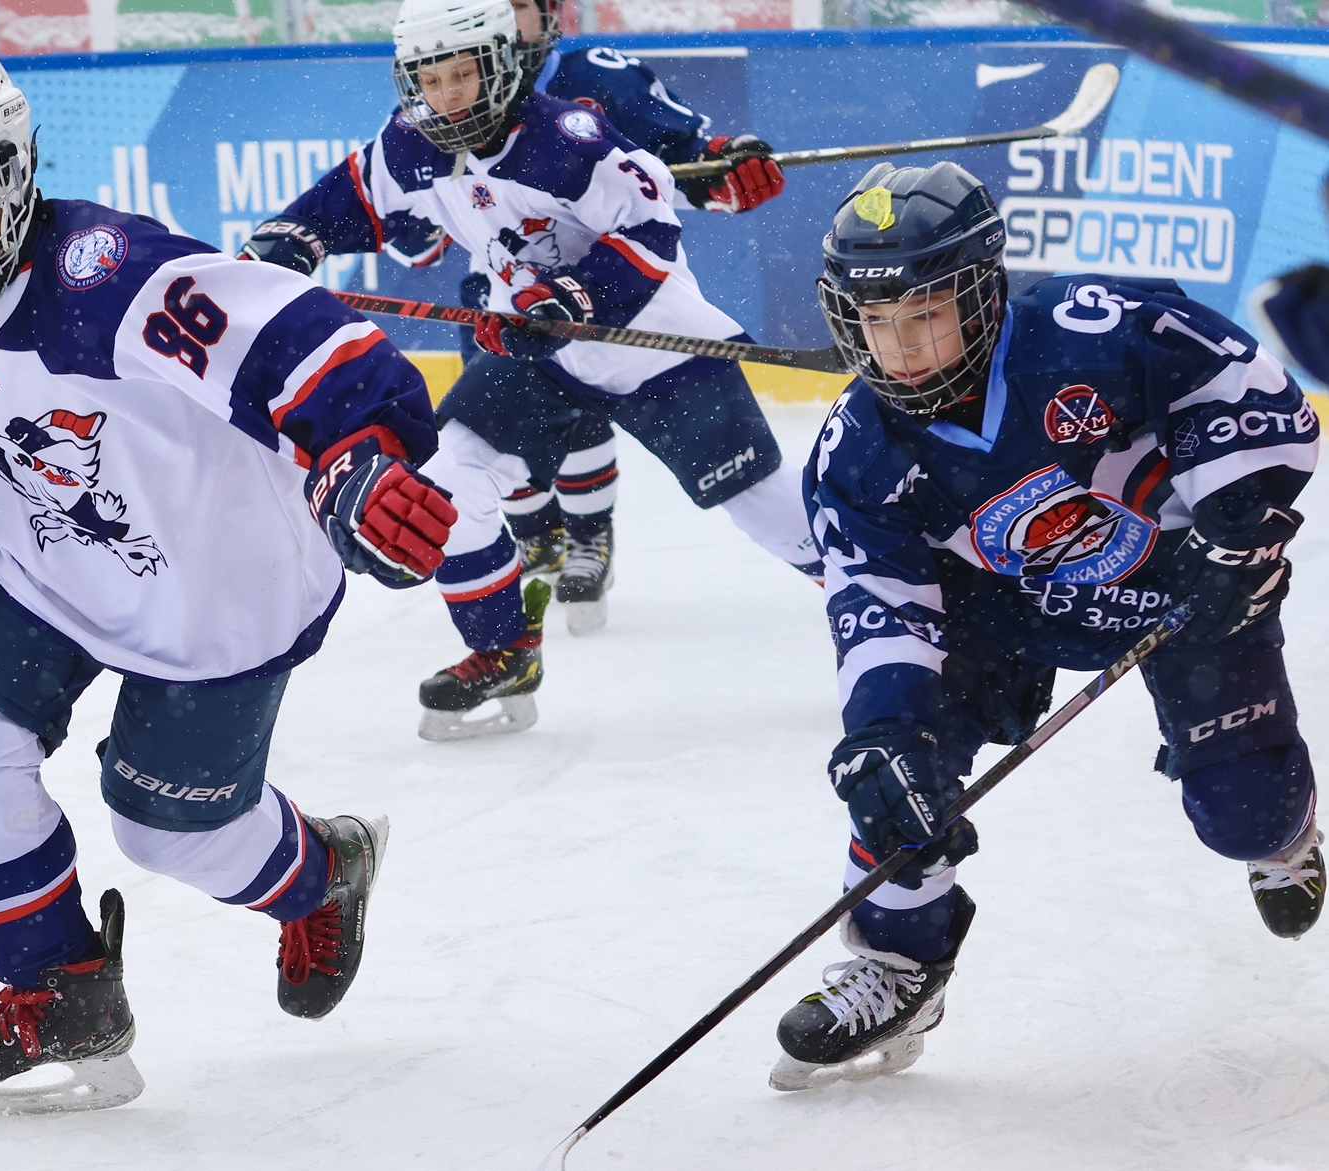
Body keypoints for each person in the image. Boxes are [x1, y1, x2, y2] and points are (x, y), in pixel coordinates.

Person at [0, 40, 455, 1116]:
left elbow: (298, 340)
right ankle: (58, 990)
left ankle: (322, 872)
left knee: (167, 829)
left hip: (218, 591)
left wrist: (356, 452)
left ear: (10, 177)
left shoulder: (105, 280)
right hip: (48, 572)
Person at [774, 161, 1322, 1092]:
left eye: (925, 316)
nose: (900, 349)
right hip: (1001, 610)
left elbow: (1250, 396)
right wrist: (883, 730)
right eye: (876, 323)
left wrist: (1238, 531)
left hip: (1183, 592)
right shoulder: (857, 452)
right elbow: (879, 605)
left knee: (1244, 817)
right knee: (899, 773)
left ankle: (1288, 840)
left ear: (983, 292)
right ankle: (900, 962)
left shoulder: (1094, 330)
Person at [241, 0, 820, 742]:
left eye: (463, 74)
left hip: (651, 343)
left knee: (764, 505)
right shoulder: (410, 144)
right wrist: (289, 238)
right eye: (430, 78)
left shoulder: (569, 138)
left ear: (503, 64)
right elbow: (350, 195)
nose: (447, 96)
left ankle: (891, 602)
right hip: (535, 351)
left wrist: (572, 297)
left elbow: (650, 232)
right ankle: (503, 647)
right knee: (447, 476)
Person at [485, 0, 787, 618]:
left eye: (519, 6)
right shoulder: (450, 87)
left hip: (609, 286)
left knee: (585, 396)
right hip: (502, 292)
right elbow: (410, 225)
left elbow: (694, 156)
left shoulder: (598, 74)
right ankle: (536, 528)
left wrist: (729, 163)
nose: (507, 21)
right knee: (494, 432)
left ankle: (588, 536)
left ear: (548, 14)